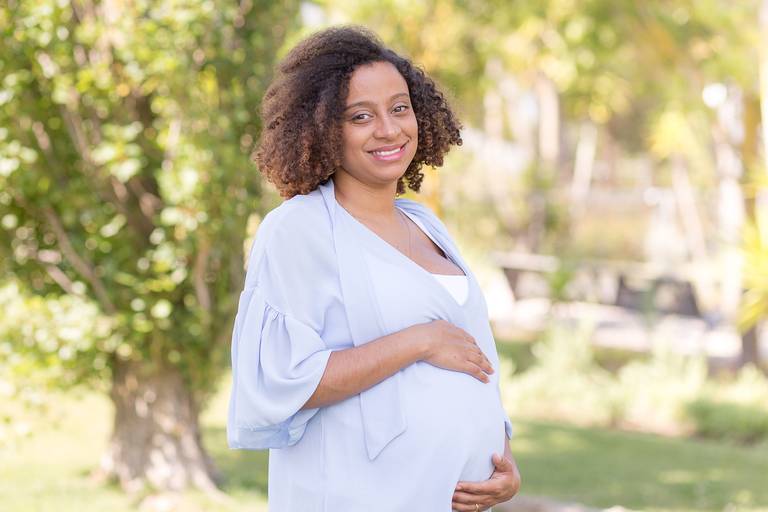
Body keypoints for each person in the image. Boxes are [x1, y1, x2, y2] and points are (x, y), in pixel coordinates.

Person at [227, 25, 521, 511]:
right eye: (360, 116)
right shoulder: (300, 229)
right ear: (321, 127)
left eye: (399, 108)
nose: (388, 129)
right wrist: (418, 341)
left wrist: (500, 456)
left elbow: (473, 352)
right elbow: (281, 381)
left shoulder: (423, 222)